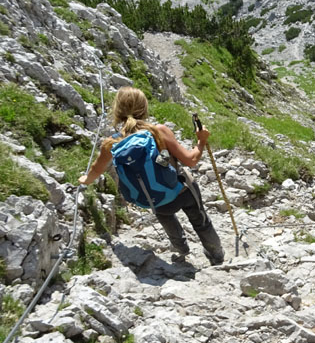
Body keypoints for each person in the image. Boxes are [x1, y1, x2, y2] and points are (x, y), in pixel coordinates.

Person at [79, 87, 224, 266]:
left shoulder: (111, 143)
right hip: (181, 192)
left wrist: (85, 180)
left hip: (153, 200)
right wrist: (201, 140)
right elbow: (191, 160)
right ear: (144, 108)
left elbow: (95, 170)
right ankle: (216, 255)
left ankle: (181, 249)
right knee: (200, 220)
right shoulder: (158, 131)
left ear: (117, 110)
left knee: (164, 213)